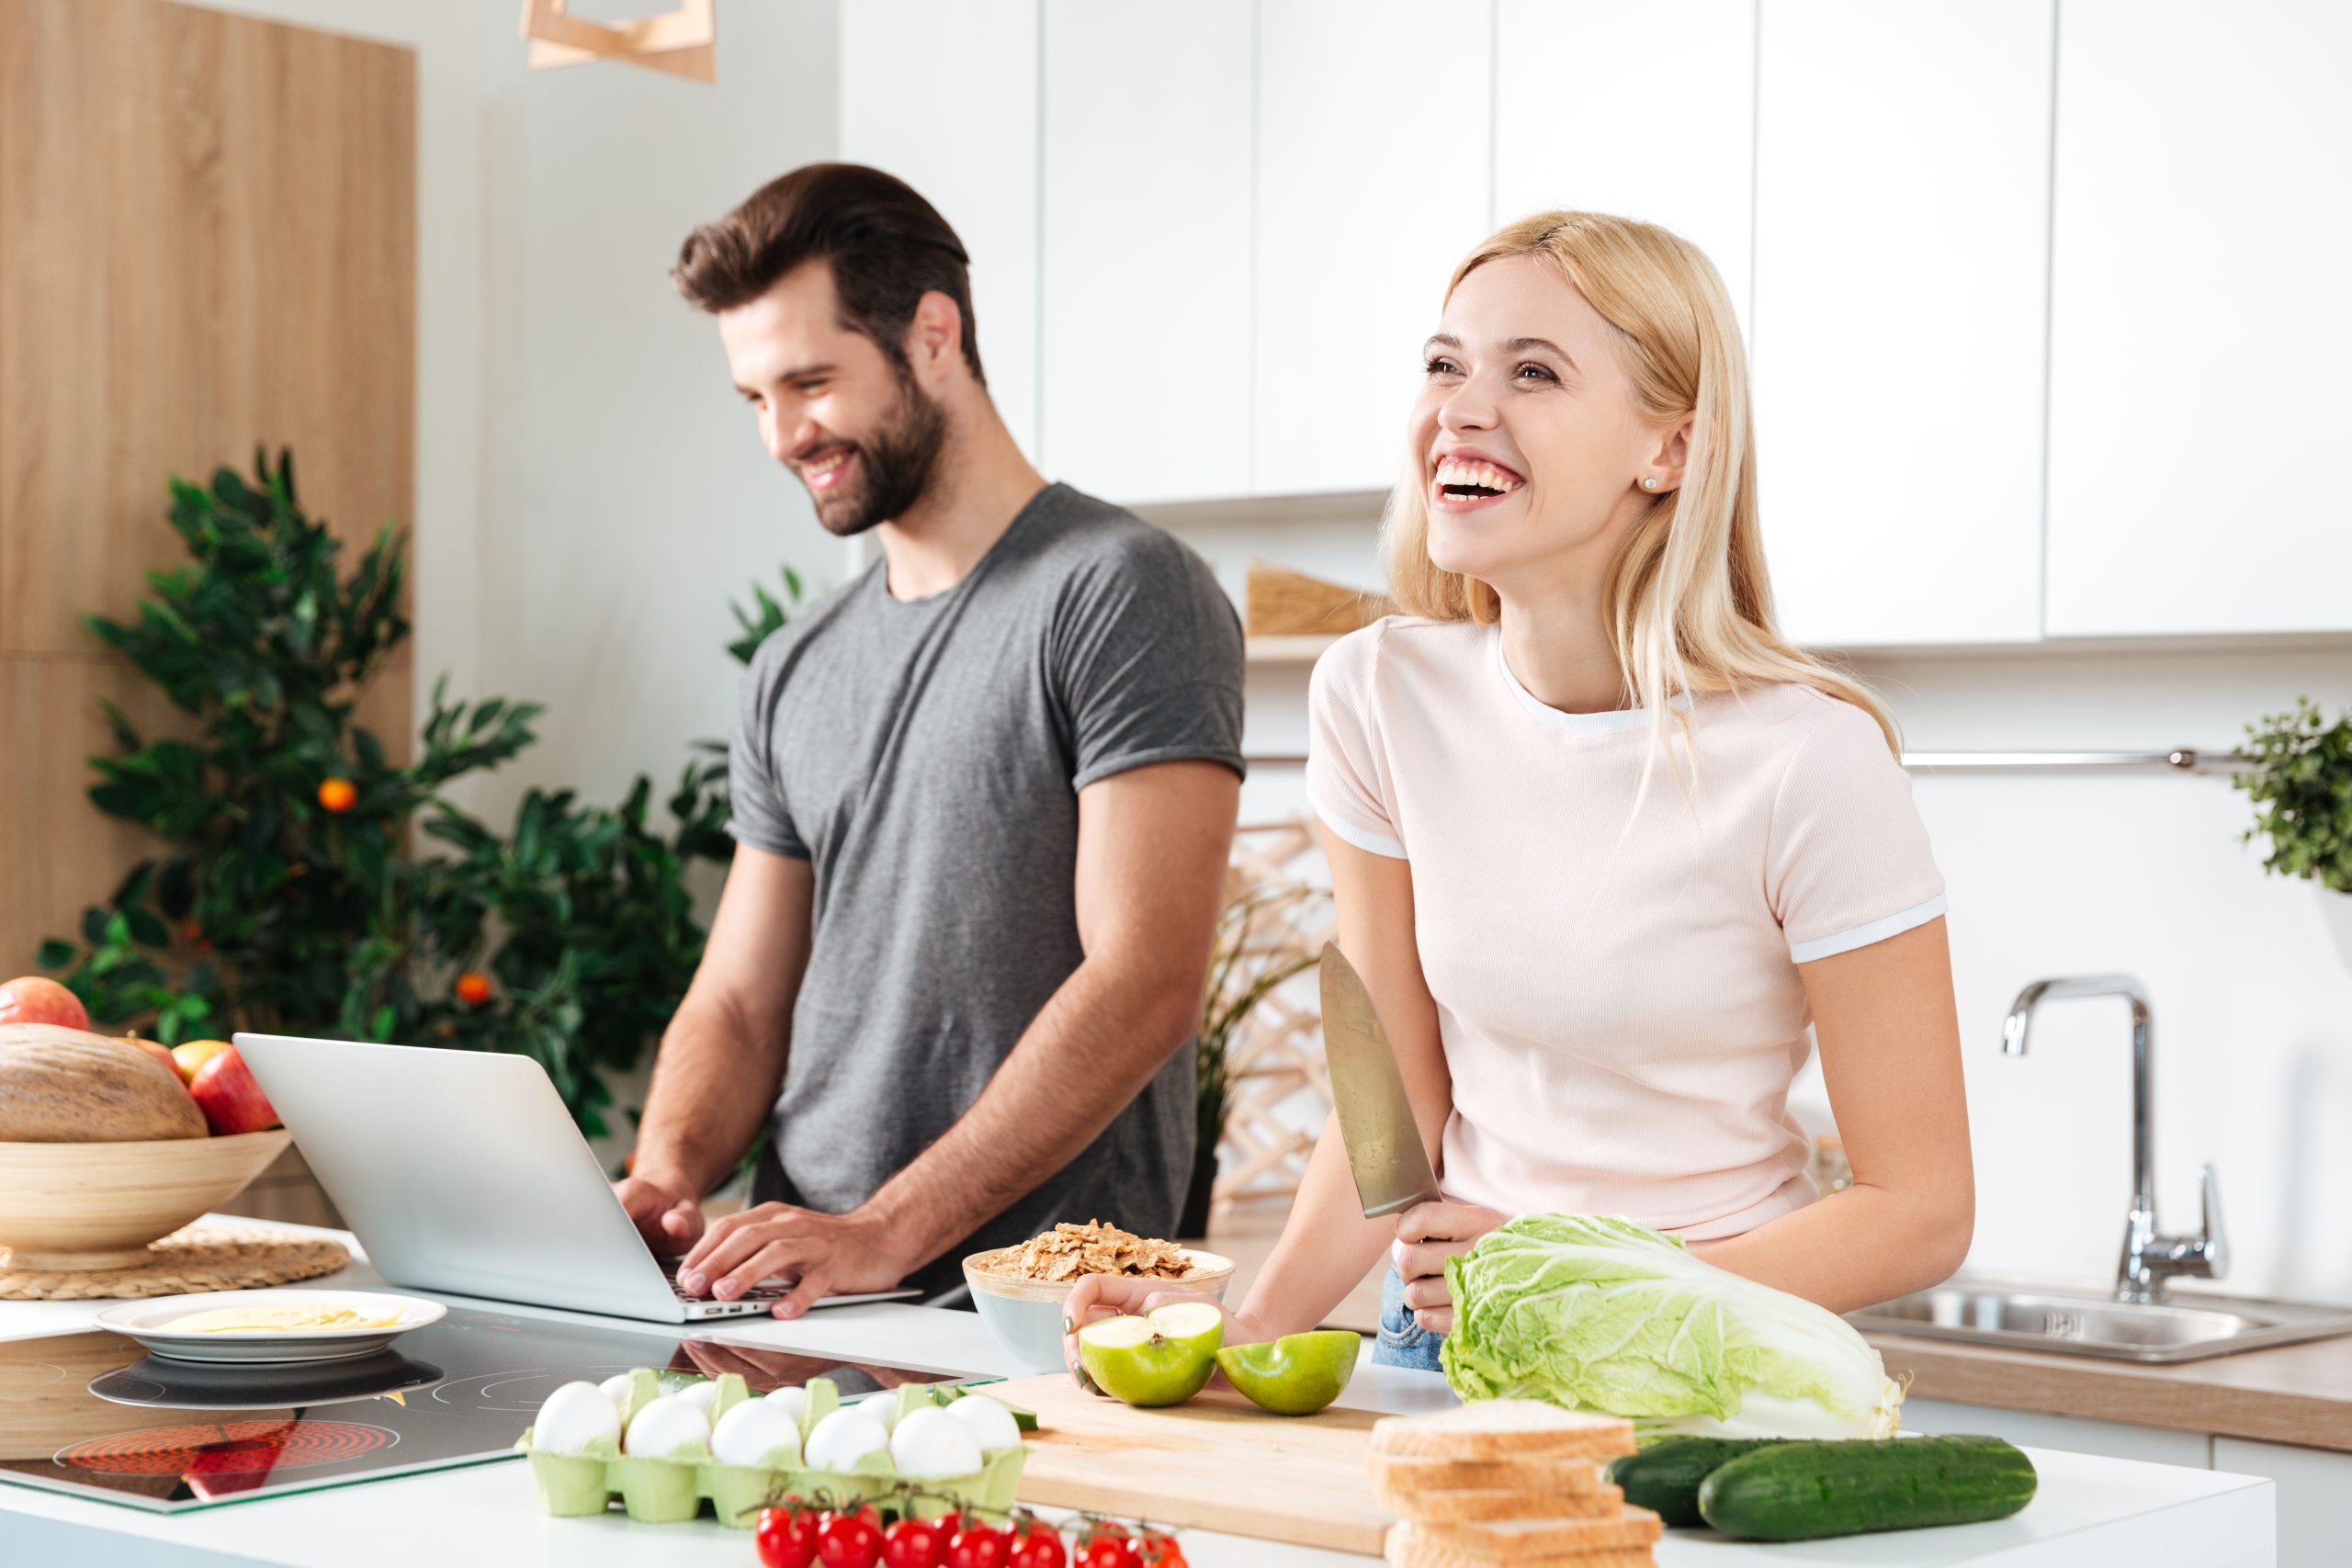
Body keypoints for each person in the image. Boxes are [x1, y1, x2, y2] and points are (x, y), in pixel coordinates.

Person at [1066, 210, 1971, 1371]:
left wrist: (1591, 1294)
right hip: (1444, 1332)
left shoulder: (1809, 761)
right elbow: (1388, 1105)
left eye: (1532, 373)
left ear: (1671, 449)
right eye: (1444, 365)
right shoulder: (1378, 694)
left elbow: (1921, 1207)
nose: (1460, 408)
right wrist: (1242, 1327)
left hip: (1699, 1353)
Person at [614, 163, 1246, 1317]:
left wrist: (884, 1233)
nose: (782, 436)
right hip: (792, 1294)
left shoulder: (1121, 590)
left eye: (810, 381)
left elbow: (1146, 980)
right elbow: (743, 1002)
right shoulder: (796, 662)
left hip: (1031, 1309)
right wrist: (665, 1178)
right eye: (754, 398)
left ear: (934, 336)